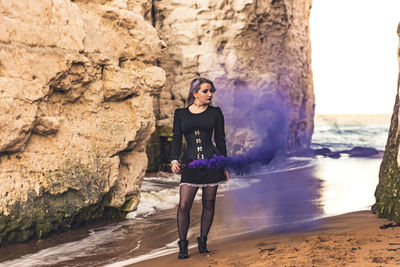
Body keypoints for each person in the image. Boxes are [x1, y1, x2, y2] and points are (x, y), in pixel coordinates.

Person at [170, 77, 230, 259]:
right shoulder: (180, 113)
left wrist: (224, 163)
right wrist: (173, 159)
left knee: (209, 203)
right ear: (195, 93)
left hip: (212, 163)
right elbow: (175, 138)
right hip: (189, 163)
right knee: (184, 205)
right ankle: (183, 246)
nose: (210, 94)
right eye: (205, 91)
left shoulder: (215, 112)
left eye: (211, 91)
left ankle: (203, 241)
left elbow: (220, 139)